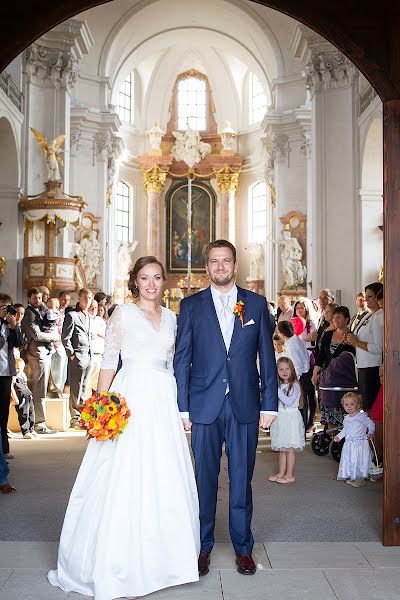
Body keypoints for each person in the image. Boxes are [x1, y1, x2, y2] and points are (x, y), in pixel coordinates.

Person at [48, 256, 200, 599]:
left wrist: (181, 407)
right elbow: (107, 361)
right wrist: (100, 406)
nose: (151, 283)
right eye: (144, 278)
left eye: (157, 278)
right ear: (135, 282)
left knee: (163, 474)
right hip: (130, 394)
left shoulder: (173, 318)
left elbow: (177, 363)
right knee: (126, 473)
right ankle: (121, 566)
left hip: (162, 396)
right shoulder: (123, 314)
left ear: (164, 282)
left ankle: (165, 564)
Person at [174, 239, 278, 577]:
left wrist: (270, 405)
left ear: (235, 266)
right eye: (214, 261)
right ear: (207, 267)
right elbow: (182, 359)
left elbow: (268, 356)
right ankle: (201, 546)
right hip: (203, 405)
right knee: (204, 478)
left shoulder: (257, 304)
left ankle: (243, 548)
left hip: (245, 405)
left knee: (241, 480)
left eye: (226, 261)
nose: (221, 267)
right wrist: (183, 409)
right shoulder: (190, 306)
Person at [21, 288, 58, 435]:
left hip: (44, 353)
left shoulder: (40, 310)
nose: (38, 301)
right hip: (37, 354)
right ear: (29, 298)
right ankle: (39, 423)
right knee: (38, 390)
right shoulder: (29, 314)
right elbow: (36, 335)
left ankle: (39, 422)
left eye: (40, 298)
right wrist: (53, 337)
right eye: (35, 298)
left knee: (42, 390)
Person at [346, 282, 383, 411]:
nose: (366, 300)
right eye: (366, 296)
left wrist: (357, 343)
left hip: (372, 367)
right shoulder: (368, 315)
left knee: (370, 408)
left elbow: (379, 349)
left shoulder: (379, 317)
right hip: (362, 366)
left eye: (370, 296)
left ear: (379, 298)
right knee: (364, 406)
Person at [268, 357, 305, 484]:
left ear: (292, 369)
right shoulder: (279, 385)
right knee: (282, 448)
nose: (284, 371)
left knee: (289, 449)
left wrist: (276, 390)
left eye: (287, 369)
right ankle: (281, 473)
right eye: (281, 369)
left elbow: (289, 402)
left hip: (291, 419)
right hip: (281, 418)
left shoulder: (295, 385)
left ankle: (290, 475)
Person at [61, 288, 93, 429]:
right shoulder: (72, 315)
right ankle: (74, 417)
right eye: (85, 298)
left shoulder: (89, 316)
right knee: (76, 388)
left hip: (88, 356)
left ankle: (82, 416)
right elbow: (65, 337)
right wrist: (71, 355)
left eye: (90, 298)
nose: (87, 300)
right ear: (79, 298)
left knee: (84, 388)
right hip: (77, 356)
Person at [0, 293, 24, 458]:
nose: (7, 310)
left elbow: (20, 343)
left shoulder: (11, 325)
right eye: (3, 307)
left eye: (9, 306)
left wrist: (14, 326)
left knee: (3, 412)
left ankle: (4, 449)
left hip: (6, 372)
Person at [334, 392, 375, 487]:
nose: (349, 406)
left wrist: (370, 433)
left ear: (358, 405)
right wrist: (339, 436)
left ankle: (360, 478)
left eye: (352, 404)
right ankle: (353, 476)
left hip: (359, 443)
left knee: (359, 460)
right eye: (346, 404)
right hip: (349, 444)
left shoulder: (362, 416)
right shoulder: (346, 418)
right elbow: (345, 429)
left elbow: (371, 424)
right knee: (351, 460)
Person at [11, 357, 37, 439]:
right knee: (23, 413)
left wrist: (30, 394)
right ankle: (25, 431)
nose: (17, 370)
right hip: (20, 397)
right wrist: (15, 397)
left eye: (19, 368)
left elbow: (26, 385)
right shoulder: (13, 377)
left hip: (27, 395)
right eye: (16, 368)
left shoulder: (22, 375)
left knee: (31, 412)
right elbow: (11, 387)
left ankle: (31, 429)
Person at [87, 299, 106, 396]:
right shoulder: (85, 319)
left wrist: (98, 334)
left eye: (95, 308)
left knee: (96, 384)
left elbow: (106, 335)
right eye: (91, 307)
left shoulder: (100, 320)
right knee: (87, 383)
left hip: (100, 355)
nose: (93, 309)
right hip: (89, 355)